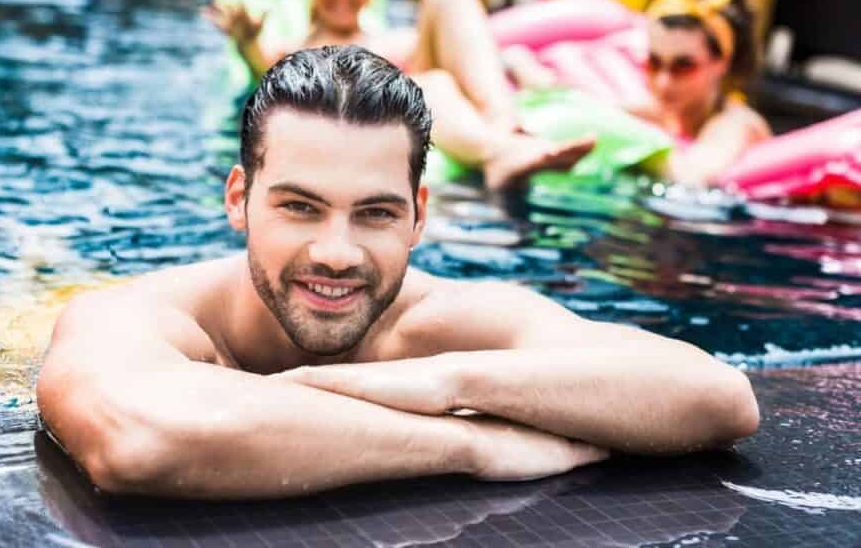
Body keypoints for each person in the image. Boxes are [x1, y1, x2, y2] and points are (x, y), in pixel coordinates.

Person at [37, 45, 759, 500]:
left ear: (419, 215)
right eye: (300, 207)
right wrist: (471, 445)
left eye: (375, 214)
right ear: (238, 199)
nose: (337, 252)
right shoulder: (143, 313)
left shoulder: (441, 328)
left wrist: (446, 383)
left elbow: (718, 398)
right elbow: (142, 439)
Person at [204, 0, 595, 190]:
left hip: (436, 91)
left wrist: (520, 63)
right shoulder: (301, 52)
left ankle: (503, 123)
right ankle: (498, 153)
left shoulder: (396, 38)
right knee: (432, 84)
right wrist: (245, 41)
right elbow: (264, 67)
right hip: (396, 108)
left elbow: (473, 48)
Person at [640, 0, 771, 186]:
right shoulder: (659, 114)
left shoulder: (737, 125)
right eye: (654, 62)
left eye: (683, 66)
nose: (664, 82)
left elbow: (692, 179)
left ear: (722, 62)